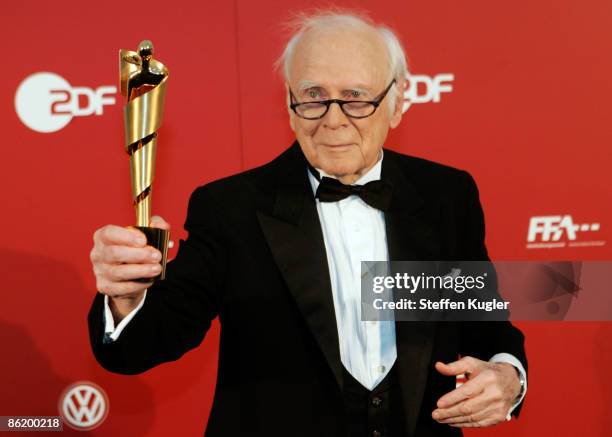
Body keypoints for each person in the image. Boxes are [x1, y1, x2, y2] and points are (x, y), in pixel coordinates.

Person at [88, 11, 527, 437]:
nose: (333, 120)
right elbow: (147, 343)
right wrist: (126, 299)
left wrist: (509, 374)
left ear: (396, 104)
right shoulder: (230, 207)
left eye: (356, 97)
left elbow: (483, 321)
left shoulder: (445, 196)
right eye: (314, 95)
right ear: (290, 104)